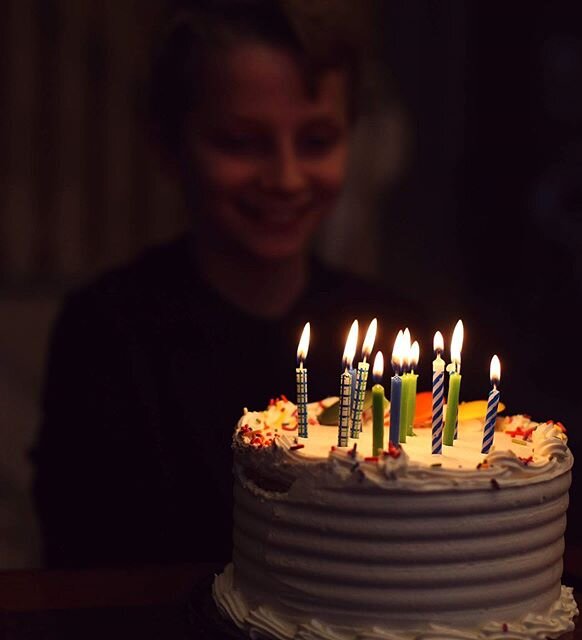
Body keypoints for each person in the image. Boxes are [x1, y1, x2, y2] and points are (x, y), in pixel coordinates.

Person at [32, 0, 427, 568]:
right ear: (170, 146)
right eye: (241, 142)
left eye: (316, 141)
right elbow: (84, 560)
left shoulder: (393, 332)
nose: (286, 178)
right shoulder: (108, 333)